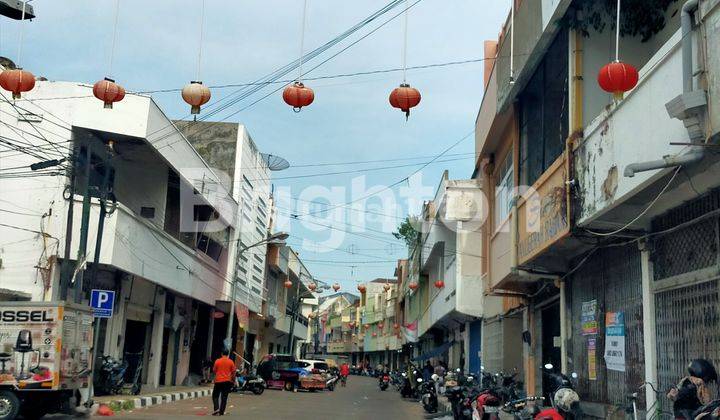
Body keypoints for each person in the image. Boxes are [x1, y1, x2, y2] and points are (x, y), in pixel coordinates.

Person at [212, 349, 236, 416]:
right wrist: (233, 381)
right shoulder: (231, 362)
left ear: (221, 353)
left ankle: (216, 409)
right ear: (228, 354)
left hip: (218, 381)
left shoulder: (217, 361)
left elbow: (214, 370)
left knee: (215, 395)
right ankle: (221, 411)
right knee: (224, 397)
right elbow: (233, 372)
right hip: (227, 381)